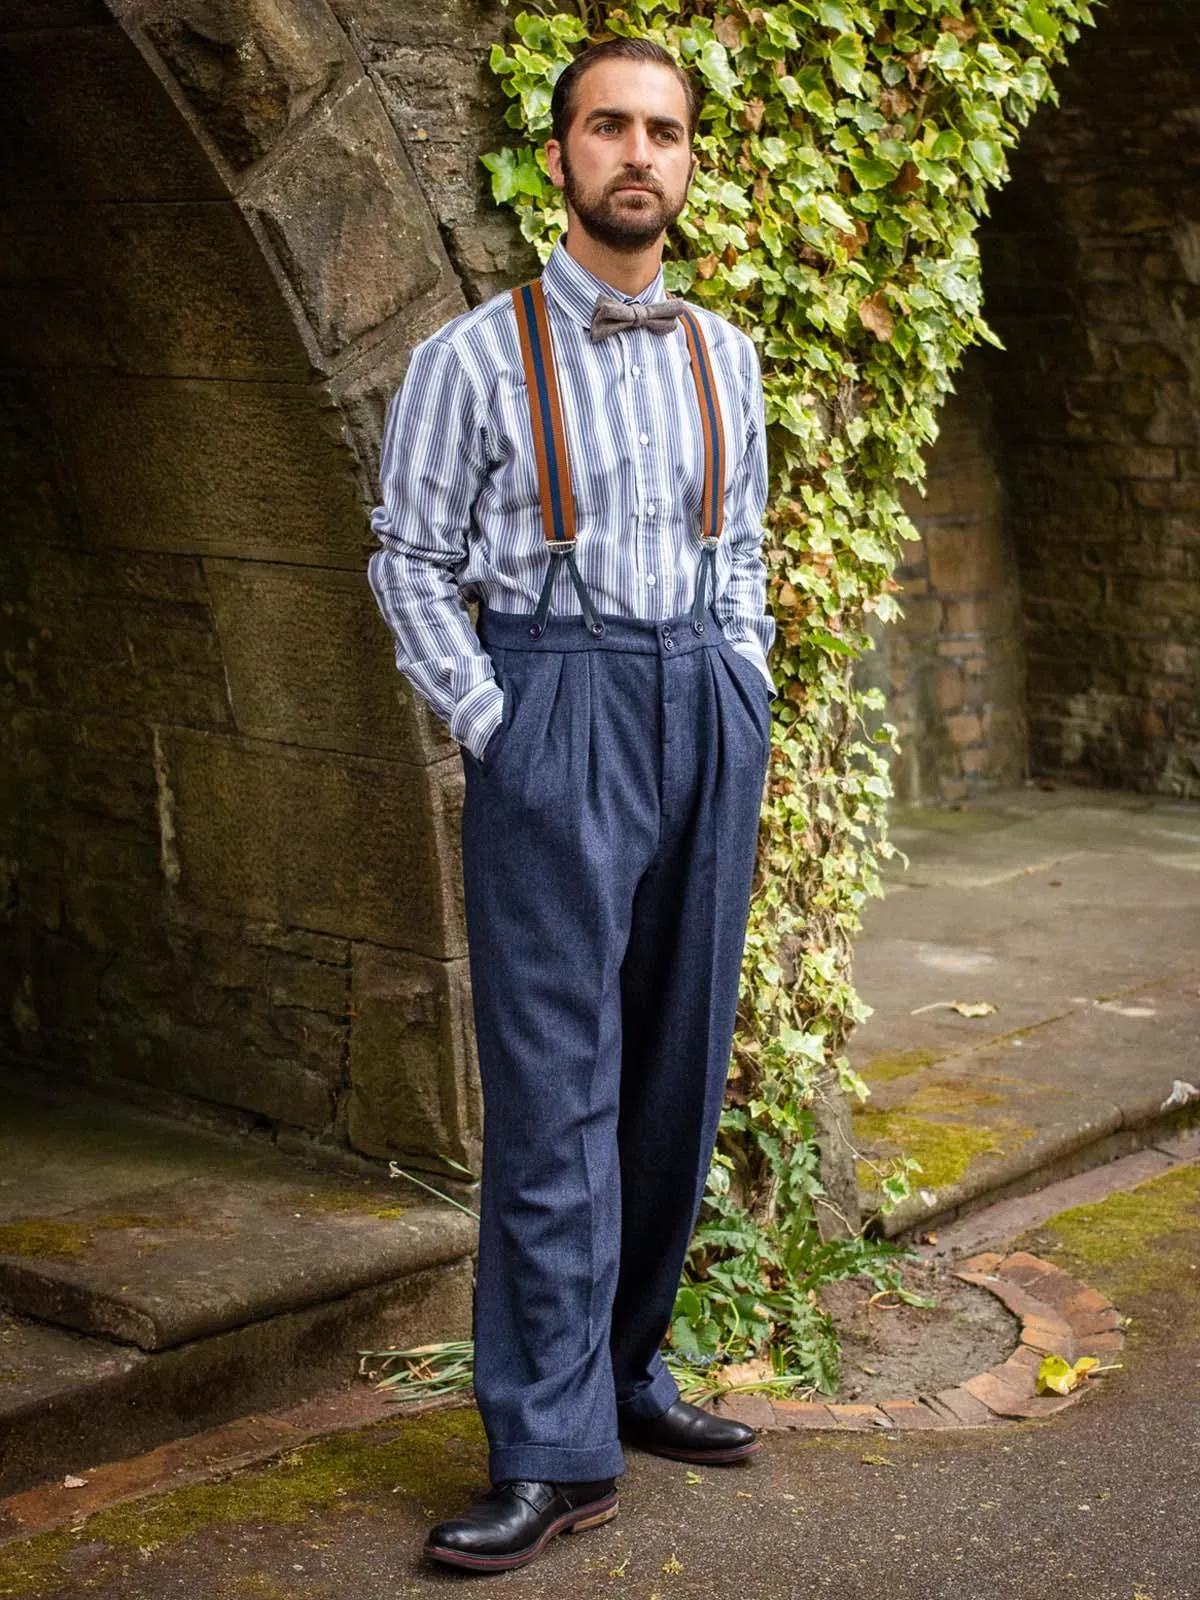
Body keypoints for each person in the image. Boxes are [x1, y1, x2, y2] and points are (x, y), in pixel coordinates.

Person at [368, 35, 775, 1574]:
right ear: (561, 155)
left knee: (674, 1070)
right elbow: (408, 561)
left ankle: (625, 1375)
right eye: (609, 124)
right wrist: (497, 723)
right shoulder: (471, 359)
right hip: (558, 709)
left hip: (701, 711)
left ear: (686, 161)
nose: (638, 154)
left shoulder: (723, 354)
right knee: (555, 1097)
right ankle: (546, 1446)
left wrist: (739, 677)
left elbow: (737, 550)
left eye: (664, 131)